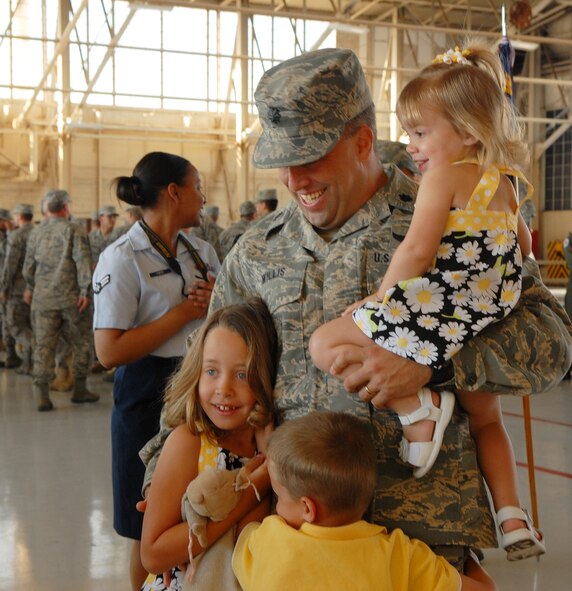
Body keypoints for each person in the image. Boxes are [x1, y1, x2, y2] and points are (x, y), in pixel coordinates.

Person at [206, 47, 571, 570]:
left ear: (362, 141)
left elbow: (552, 343)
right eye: (282, 162)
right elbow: (209, 382)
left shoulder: (456, 212)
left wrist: (435, 364)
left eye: (310, 157)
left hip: (422, 532)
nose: (294, 179)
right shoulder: (255, 251)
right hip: (295, 534)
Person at [310, 44, 544, 561]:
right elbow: (525, 247)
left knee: (325, 341)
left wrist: (378, 298)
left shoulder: (441, 178)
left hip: (444, 306)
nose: (411, 146)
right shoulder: (504, 182)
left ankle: (417, 407)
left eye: (420, 133)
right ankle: (511, 516)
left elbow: (417, 249)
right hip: (487, 311)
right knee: (489, 421)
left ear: (466, 132)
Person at [93, 151, 220, 591]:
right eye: (198, 186)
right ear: (173, 192)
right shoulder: (121, 258)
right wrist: (185, 311)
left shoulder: (199, 251)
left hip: (199, 386)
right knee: (143, 521)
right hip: (146, 391)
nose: (203, 197)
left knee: (199, 507)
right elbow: (109, 351)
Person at [233, 411, 496, 591]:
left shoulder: (272, 542)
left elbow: (241, 535)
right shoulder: (399, 555)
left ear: (307, 508)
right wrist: (470, 559)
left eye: (279, 496)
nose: (277, 506)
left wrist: (254, 483)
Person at [140, 299, 277, 591]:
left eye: (242, 374)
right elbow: (152, 554)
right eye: (211, 371)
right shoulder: (190, 441)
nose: (224, 389)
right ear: (196, 372)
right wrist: (252, 492)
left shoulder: (264, 451)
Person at [22, 189, 98, 411]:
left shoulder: (36, 233)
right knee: (81, 342)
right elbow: (83, 261)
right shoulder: (74, 229)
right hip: (71, 299)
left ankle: (42, 395)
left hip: (43, 300)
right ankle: (80, 390)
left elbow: (28, 267)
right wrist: (86, 291)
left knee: (44, 346)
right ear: (66, 207)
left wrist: (32, 287)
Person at [0, 204, 35, 374]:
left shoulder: (16, 236)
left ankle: (31, 359)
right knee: (30, 324)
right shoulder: (39, 233)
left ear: (19, 216)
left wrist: (3, 288)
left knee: (16, 326)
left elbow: (10, 266)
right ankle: (29, 363)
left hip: (17, 290)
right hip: (36, 288)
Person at [0, 207, 20, 369]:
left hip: (5, 285)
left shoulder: (7, 236)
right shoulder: (6, 237)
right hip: (3, 284)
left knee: (6, 321)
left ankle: (12, 356)